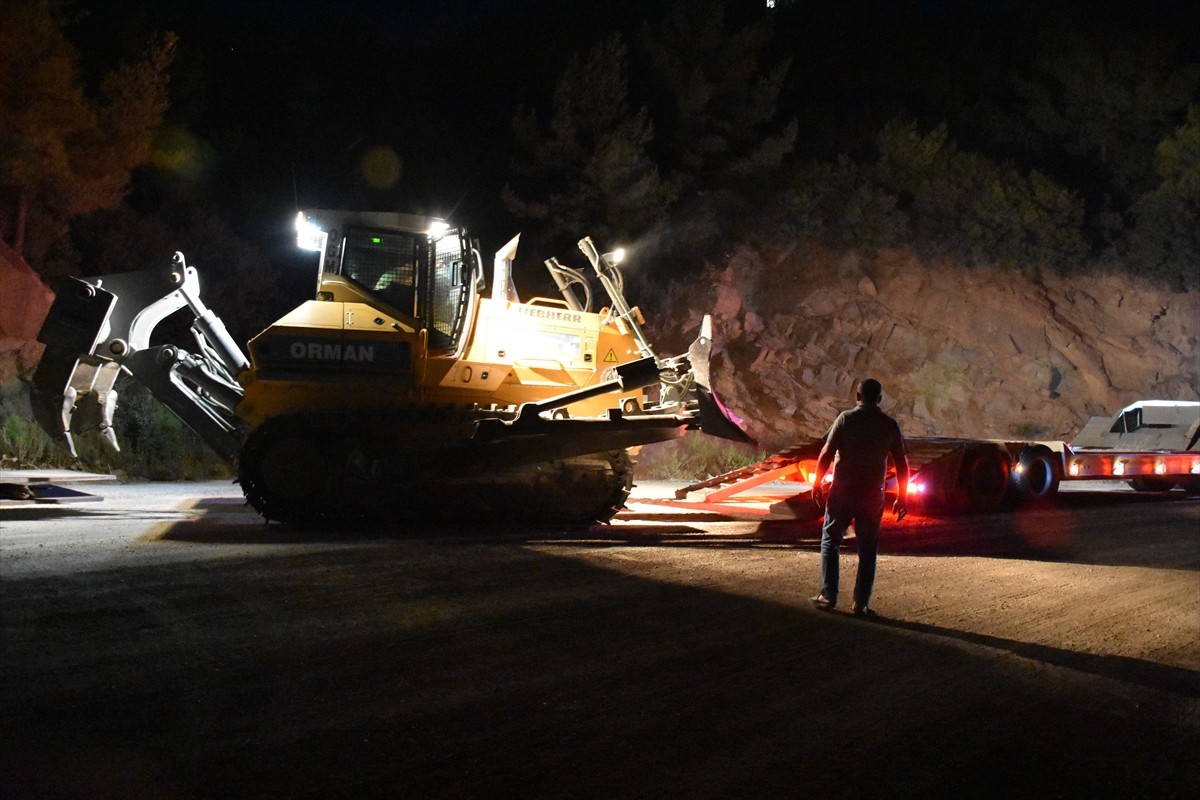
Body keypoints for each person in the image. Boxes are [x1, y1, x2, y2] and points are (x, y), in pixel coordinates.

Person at [809, 378, 909, 618]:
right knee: (867, 548)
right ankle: (860, 603)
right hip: (872, 494)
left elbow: (827, 452)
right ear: (880, 399)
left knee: (830, 540)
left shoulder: (845, 419)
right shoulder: (889, 425)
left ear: (857, 396)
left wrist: (817, 482)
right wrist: (902, 497)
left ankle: (828, 595)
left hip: (842, 491)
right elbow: (902, 463)